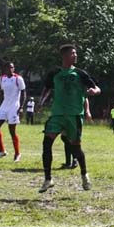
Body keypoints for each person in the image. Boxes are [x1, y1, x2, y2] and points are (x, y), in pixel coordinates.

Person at [38, 44, 101, 193]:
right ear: (65, 56)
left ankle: (84, 175)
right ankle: (48, 179)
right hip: (57, 114)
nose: (76, 56)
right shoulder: (55, 73)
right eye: (73, 53)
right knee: (47, 143)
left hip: (74, 116)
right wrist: (41, 102)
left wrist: (94, 91)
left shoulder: (80, 73)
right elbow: (47, 88)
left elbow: (97, 88)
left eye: (75, 53)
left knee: (76, 148)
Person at [0, 62, 26, 162]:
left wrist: (21, 107)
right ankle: (2, 150)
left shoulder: (18, 78)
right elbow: (3, 92)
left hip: (14, 107)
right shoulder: (2, 78)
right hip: (4, 106)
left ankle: (17, 153)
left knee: (12, 131)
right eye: (9, 67)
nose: (11, 69)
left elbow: (23, 93)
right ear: (5, 68)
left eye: (12, 67)